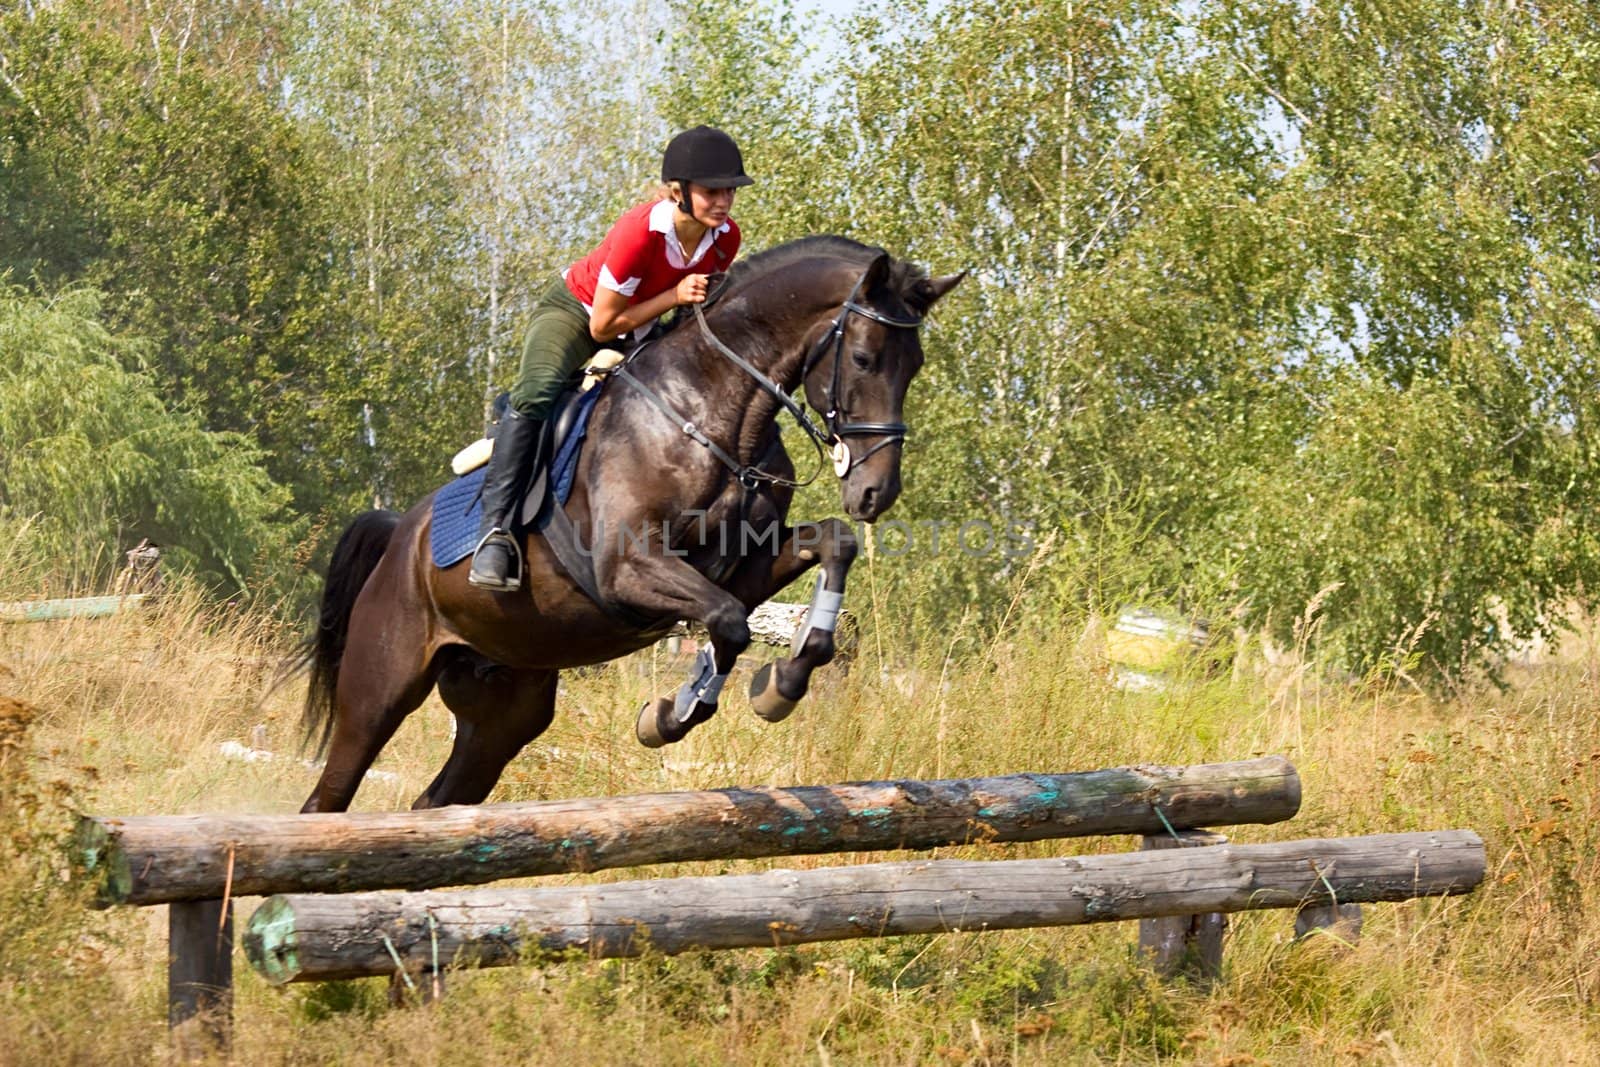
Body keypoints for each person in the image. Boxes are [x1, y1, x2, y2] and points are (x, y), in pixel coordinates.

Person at [469, 125, 754, 591]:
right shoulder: (637, 234)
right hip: (578, 314)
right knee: (539, 390)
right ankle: (495, 532)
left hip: (640, 328)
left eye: (729, 191)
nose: (723, 202)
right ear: (677, 193)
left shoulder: (724, 238)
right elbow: (603, 326)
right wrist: (674, 295)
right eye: (711, 191)